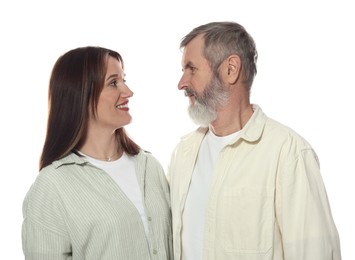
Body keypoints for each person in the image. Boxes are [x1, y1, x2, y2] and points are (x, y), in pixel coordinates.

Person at [168, 21, 341, 260]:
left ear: (231, 69)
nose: (182, 83)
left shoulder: (288, 153)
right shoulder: (183, 154)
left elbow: (314, 253)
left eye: (192, 69)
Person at [22, 46, 173, 260]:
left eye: (123, 79)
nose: (128, 92)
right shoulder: (52, 186)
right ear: (80, 94)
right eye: (113, 83)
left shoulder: (150, 166)